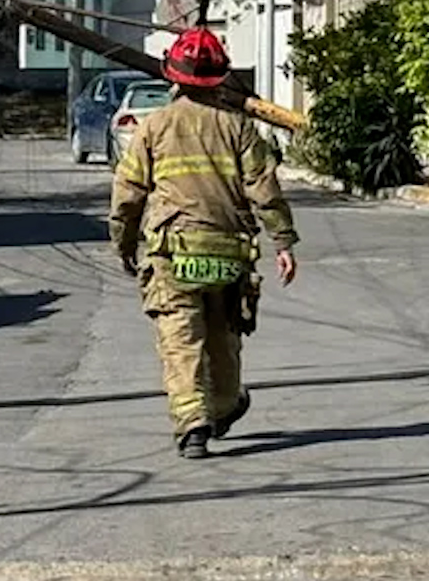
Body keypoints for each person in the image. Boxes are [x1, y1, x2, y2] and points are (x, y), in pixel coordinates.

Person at [108, 27, 299, 460]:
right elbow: (263, 189)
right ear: (220, 78)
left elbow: (128, 194)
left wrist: (122, 244)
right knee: (223, 336)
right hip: (228, 255)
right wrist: (284, 242)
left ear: (171, 74)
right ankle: (226, 404)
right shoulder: (239, 128)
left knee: (180, 339)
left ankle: (193, 422)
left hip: (173, 254)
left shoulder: (153, 127)